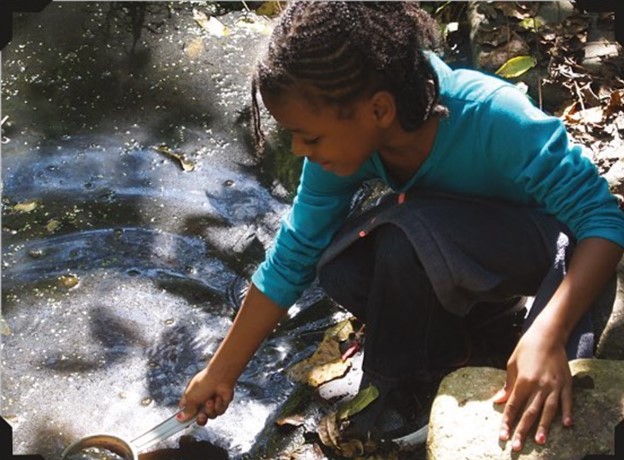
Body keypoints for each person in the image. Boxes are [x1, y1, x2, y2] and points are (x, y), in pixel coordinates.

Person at [178, 1, 624, 453]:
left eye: (308, 137)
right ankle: (459, 344)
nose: (297, 150)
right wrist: (220, 372)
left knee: (401, 234)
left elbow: (602, 221)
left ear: (379, 110)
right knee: (342, 266)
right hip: (463, 248)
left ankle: (401, 389)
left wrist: (547, 332)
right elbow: (295, 251)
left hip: (543, 250)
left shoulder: (492, 116)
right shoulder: (347, 140)